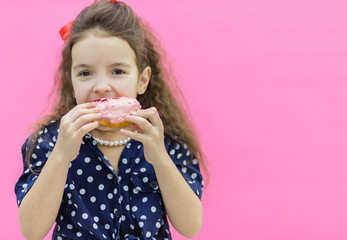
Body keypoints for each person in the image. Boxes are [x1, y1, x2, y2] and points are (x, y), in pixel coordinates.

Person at [14, 1, 206, 239]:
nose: (102, 87)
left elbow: (190, 226)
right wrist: (61, 155)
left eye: (117, 71)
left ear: (142, 80)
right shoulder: (50, 142)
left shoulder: (166, 143)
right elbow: (31, 231)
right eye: (85, 73)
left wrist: (160, 159)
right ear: (71, 80)